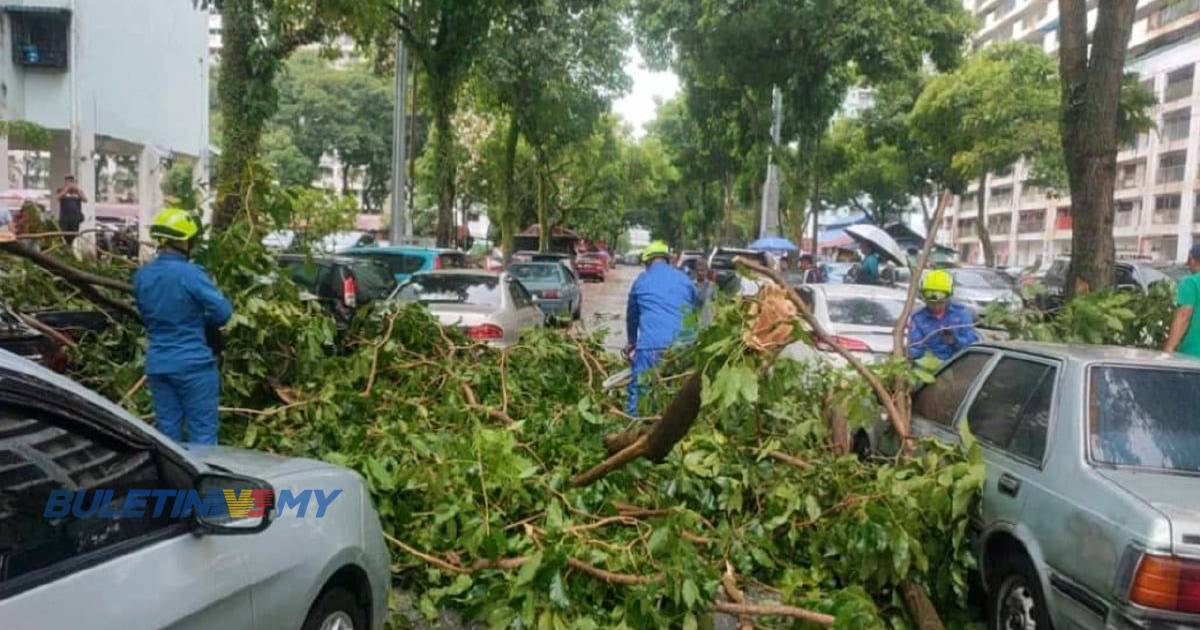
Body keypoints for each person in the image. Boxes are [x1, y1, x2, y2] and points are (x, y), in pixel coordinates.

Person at [134, 209, 233, 445]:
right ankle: (203, 480)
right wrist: (203, 323)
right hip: (194, 365)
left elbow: (147, 315)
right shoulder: (191, 274)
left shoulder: (142, 276)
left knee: (167, 435)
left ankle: (172, 480)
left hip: (159, 364)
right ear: (183, 240)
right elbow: (224, 312)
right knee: (203, 433)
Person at [625, 240, 697, 415]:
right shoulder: (685, 280)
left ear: (647, 262)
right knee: (678, 393)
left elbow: (632, 317)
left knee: (640, 390)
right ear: (668, 260)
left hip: (650, 347)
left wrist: (632, 343)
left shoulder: (641, 281)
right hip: (683, 348)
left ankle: (634, 428)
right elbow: (693, 314)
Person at [907, 269, 979, 362]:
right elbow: (916, 348)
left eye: (940, 303)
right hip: (932, 368)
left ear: (949, 296)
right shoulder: (918, 318)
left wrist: (954, 340)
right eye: (931, 303)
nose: (936, 307)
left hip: (959, 364)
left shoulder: (961, 313)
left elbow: (972, 343)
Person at [1164, 244, 1200, 357]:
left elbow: (1183, 317)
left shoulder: (1190, 283)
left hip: (1193, 355)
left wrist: (1168, 350)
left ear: (1192, 260)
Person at [54, 174, 87, 246]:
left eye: (72, 181)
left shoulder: (78, 191)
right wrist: (67, 189)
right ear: (65, 182)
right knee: (63, 236)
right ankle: (65, 249)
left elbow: (85, 199)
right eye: (69, 181)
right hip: (65, 219)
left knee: (74, 237)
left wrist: (77, 190)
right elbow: (58, 197)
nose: (70, 183)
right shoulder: (61, 190)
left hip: (75, 219)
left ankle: (72, 249)